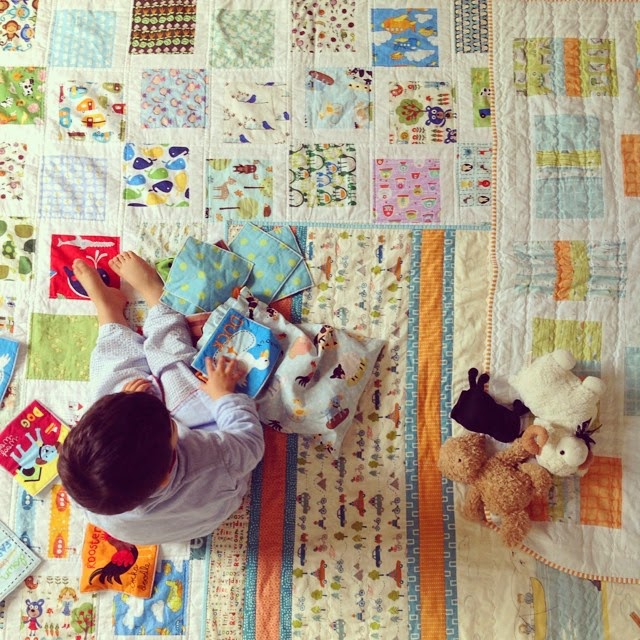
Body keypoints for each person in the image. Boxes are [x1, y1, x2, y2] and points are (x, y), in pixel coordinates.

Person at [57, 251, 265, 545]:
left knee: (111, 380)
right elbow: (249, 441)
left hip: (160, 518)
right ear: (168, 470)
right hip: (212, 493)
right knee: (177, 369)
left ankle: (109, 315)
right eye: (169, 426)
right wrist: (223, 395)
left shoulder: (87, 492)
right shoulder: (211, 460)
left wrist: (123, 400)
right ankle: (157, 300)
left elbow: (106, 451)